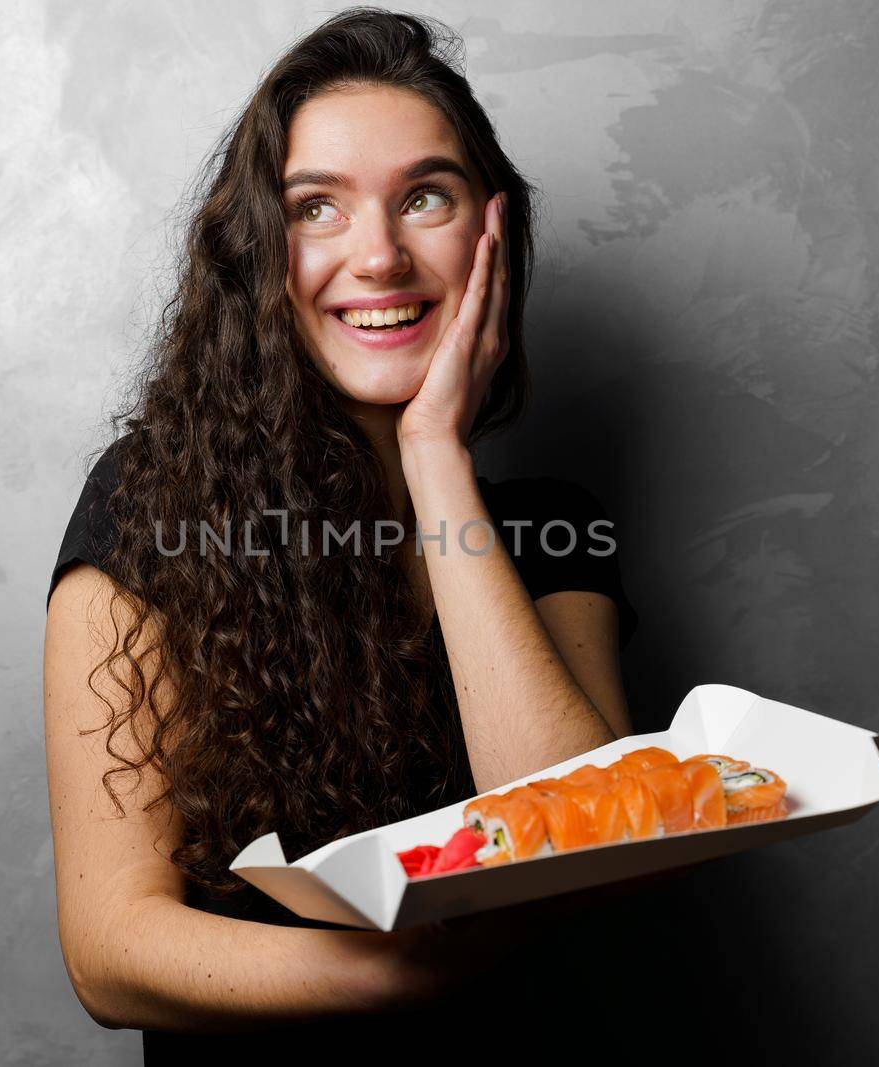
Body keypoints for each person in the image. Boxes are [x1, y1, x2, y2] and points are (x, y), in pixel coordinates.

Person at [41, 8, 641, 1059]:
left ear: (491, 234)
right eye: (316, 208)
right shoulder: (152, 509)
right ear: (258, 256)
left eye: (424, 196)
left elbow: (577, 837)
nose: (378, 255)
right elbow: (109, 949)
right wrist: (397, 974)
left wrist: (436, 456)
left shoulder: (554, 530)